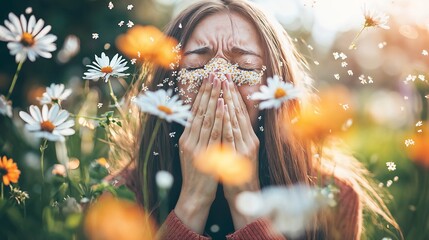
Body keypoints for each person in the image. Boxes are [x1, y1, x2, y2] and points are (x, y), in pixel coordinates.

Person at [111, 0, 401, 239]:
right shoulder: (121, 195)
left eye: (244, 66)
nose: (219, 80)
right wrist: (192, 202)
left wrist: (246, 200)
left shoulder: (331, 197)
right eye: (198, 65)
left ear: (276, 83)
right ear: (170, 82)